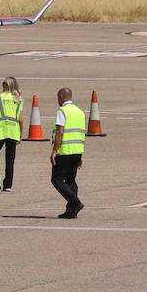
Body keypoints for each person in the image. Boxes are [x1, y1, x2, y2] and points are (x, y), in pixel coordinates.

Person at [50, 86, 86, 218]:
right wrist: (81, 154)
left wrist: (54, 151)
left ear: (61, 97)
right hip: (77, 150)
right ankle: (71, 211)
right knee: (71, 181)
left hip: (65, 151)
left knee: (56, 180)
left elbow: (60, 132)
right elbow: (81, 134)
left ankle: (75, 202)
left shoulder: (62, 111)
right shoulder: (80, 112)